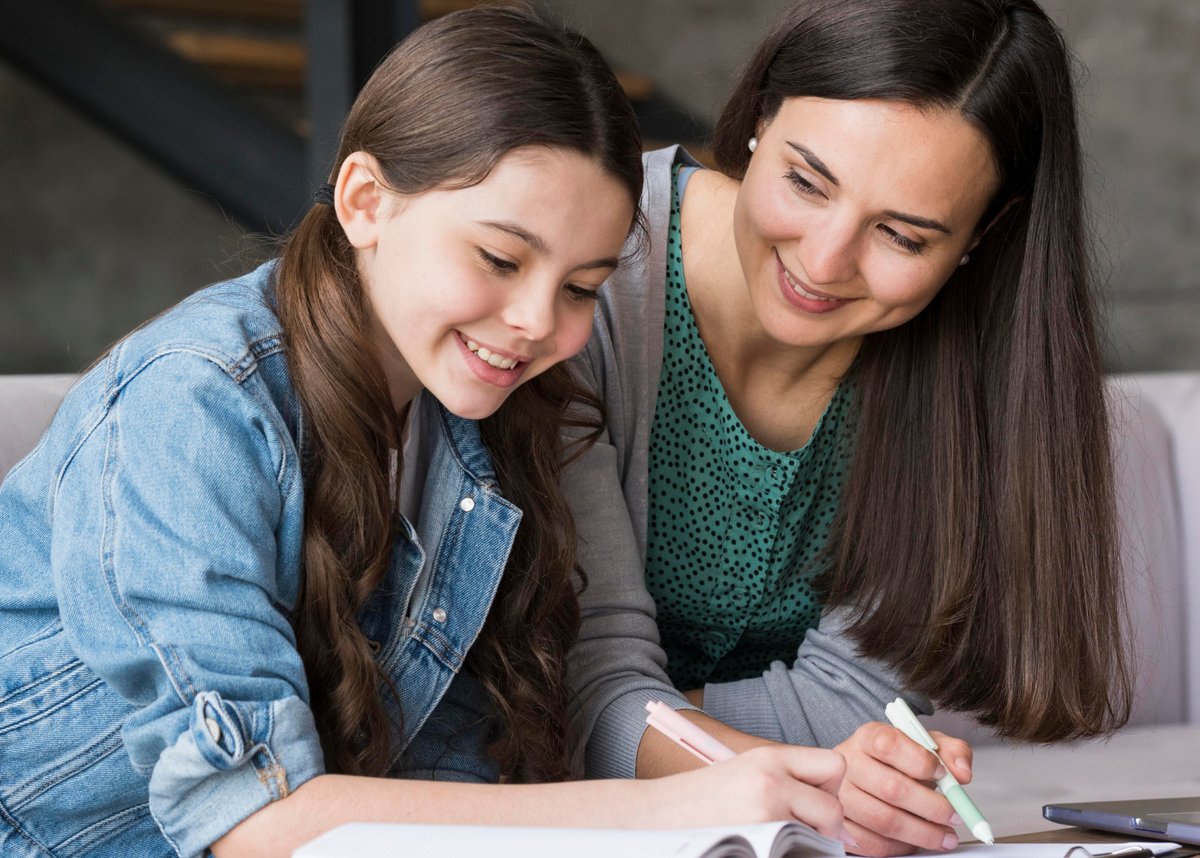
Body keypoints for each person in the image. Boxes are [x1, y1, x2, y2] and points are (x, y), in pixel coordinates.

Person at [0, 9, 851, 858]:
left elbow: (449, 778)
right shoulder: (196, 403)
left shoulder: (490, 429)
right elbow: (252, 820)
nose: (534, 324)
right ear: (366, 202)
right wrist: (672, 809)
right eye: (500, 260)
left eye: (581, 288)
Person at [564, 1, 1133, 855]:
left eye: (902, 235)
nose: (824, 263)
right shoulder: (589, 272)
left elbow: (862, 700)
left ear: (982, 237)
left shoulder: (973, 374)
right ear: (759, 119)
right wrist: (818, 771)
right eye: (806, 181)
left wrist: (652, 723)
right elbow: (569, 689)